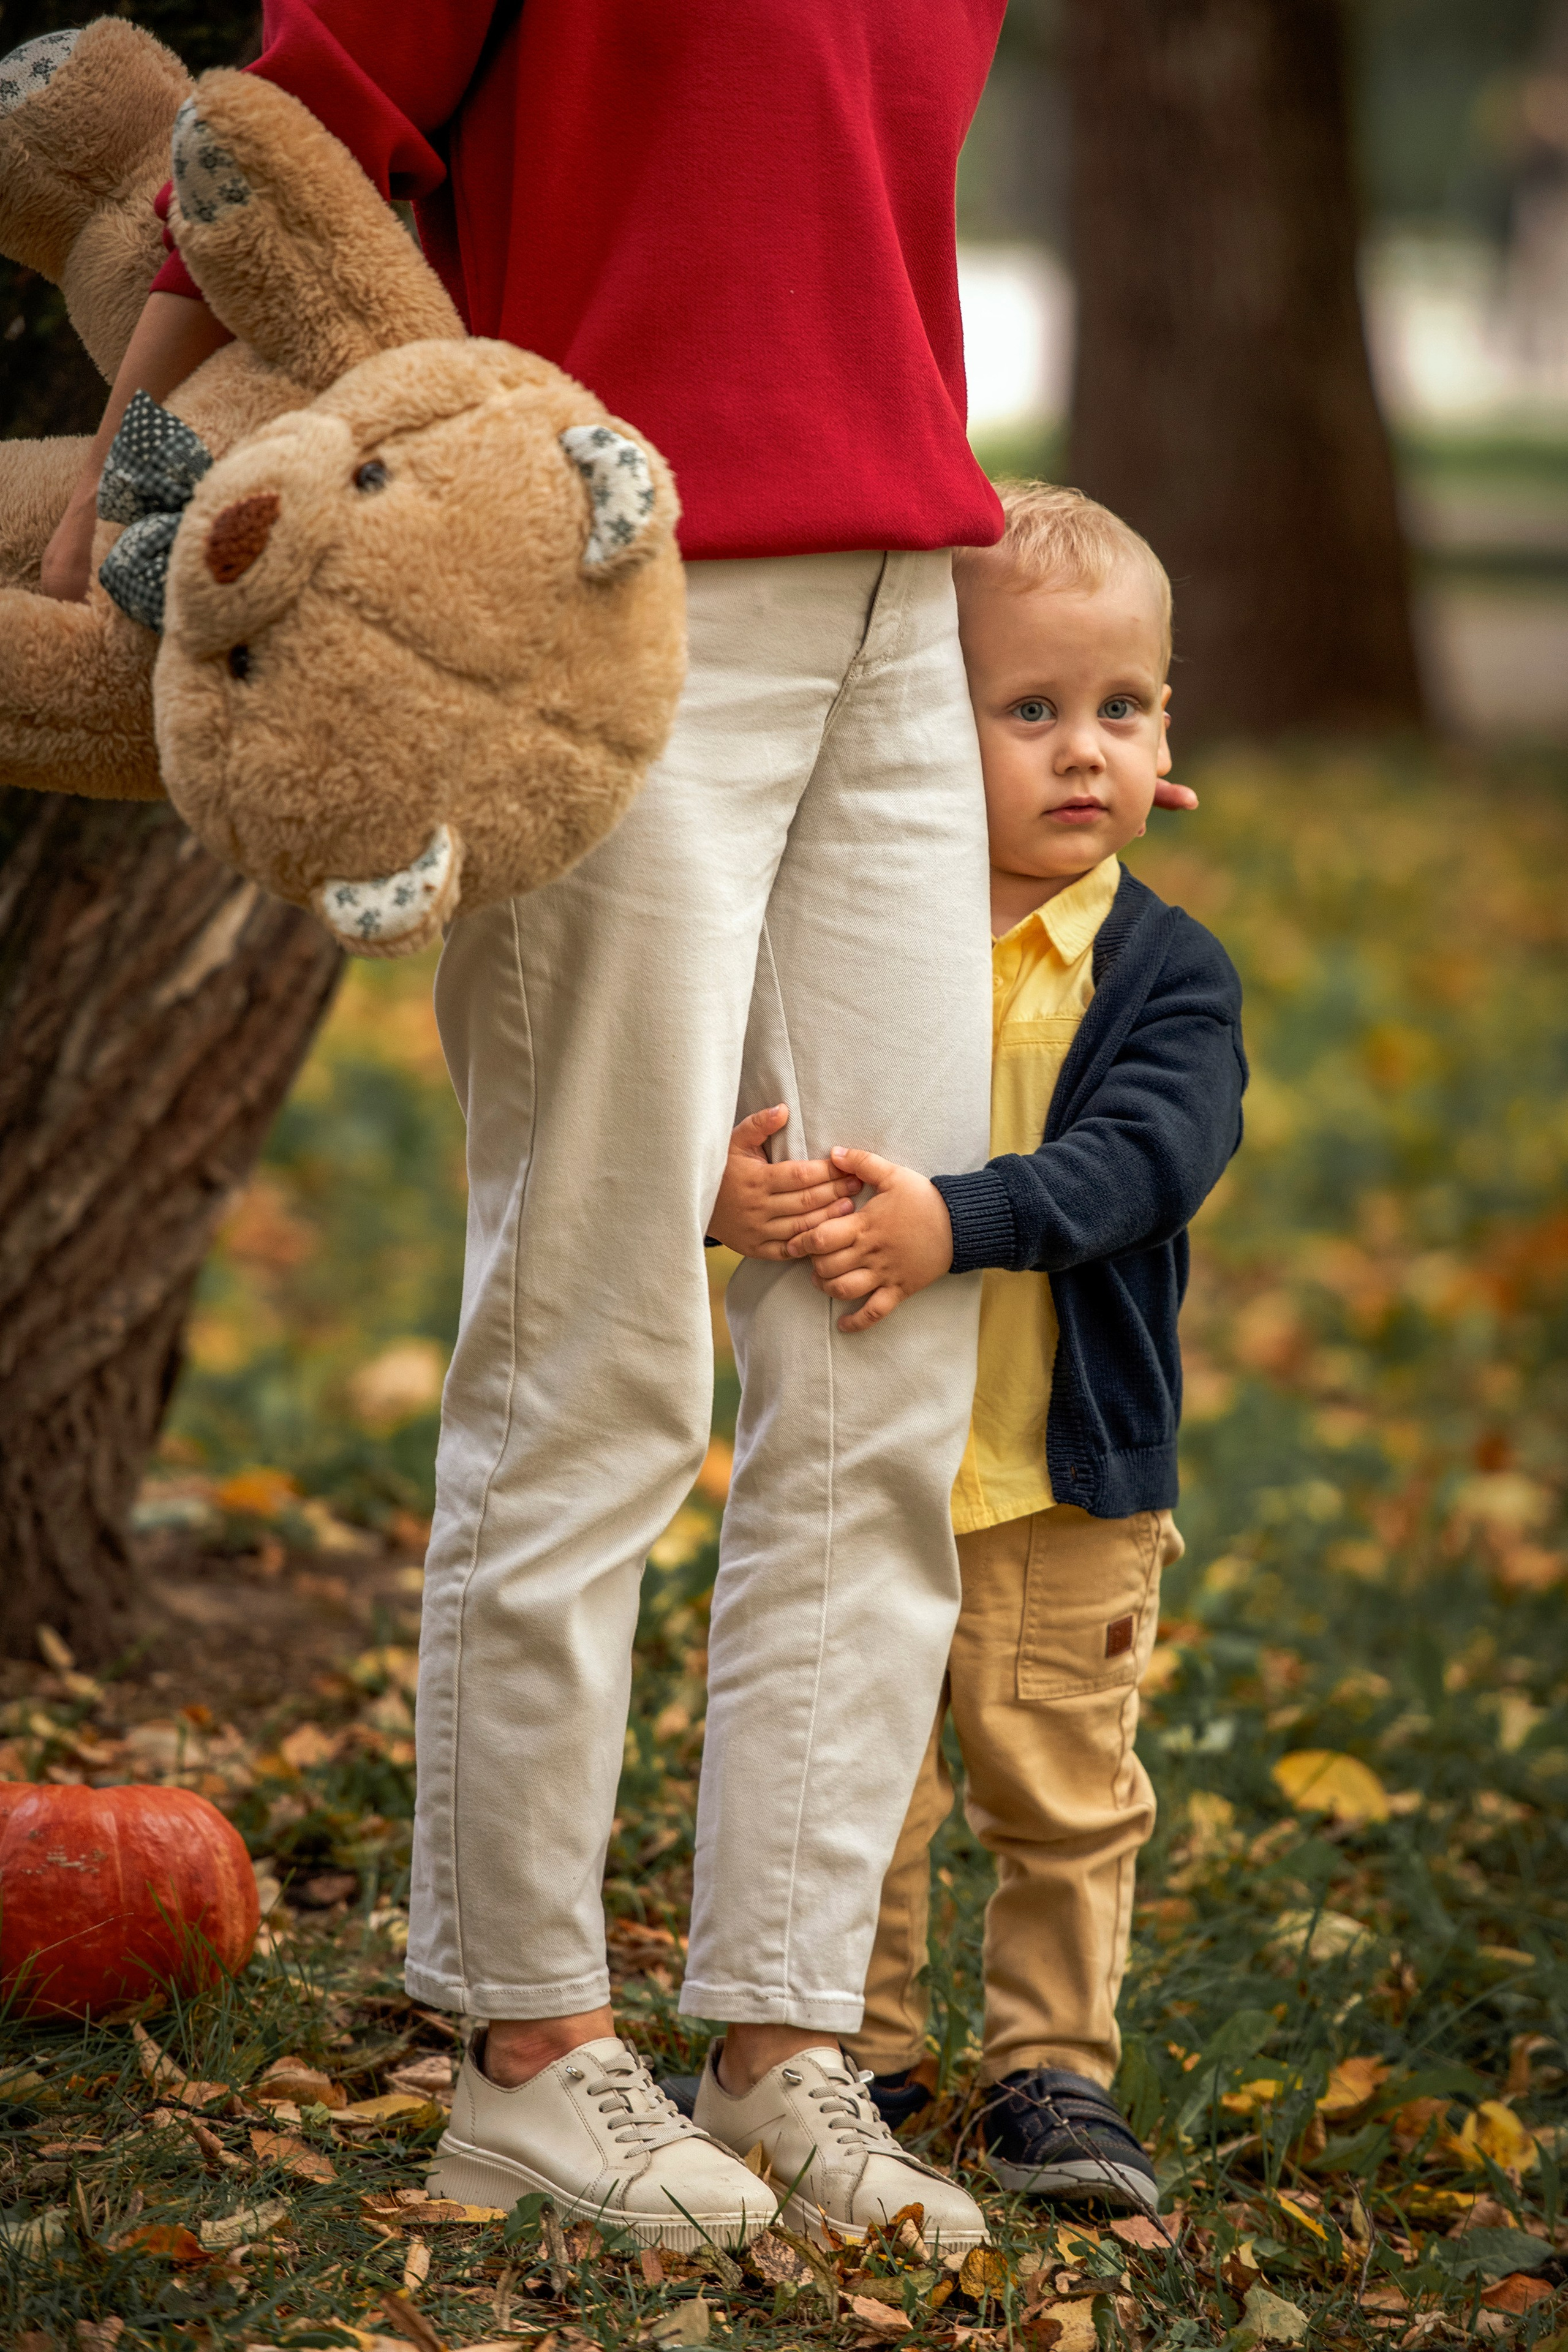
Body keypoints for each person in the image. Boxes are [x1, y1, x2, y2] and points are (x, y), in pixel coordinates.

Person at [707, 482, 1246, 2215]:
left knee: (1059, 1791)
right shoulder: (864, 949)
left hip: (1058, 1476)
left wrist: (963, 1217)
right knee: (866, 1763)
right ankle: (850, 2052)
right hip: (881, 1459)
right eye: (1030, 710)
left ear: (1168, 734)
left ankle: (1049, 2074)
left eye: (1124, 707)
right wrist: (733, 1186)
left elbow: (1155, 1158)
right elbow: (748, 1096)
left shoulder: (1164, 972)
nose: (1083, 751)